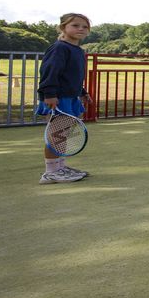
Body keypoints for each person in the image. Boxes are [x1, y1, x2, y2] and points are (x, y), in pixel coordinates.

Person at [35, 13, 92, 184]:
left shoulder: (77, 50)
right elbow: (49, 72)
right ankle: (50, 172)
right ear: (63, 28)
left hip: (71, 97)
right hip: (58, 99)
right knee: (57, 135)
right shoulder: (60, 48)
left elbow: (72, 75)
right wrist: (50, 95)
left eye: (84, 26)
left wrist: (82, 92)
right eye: (75, 25)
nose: (81, 29)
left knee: (64, 134)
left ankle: (60, 167)